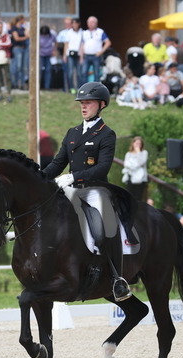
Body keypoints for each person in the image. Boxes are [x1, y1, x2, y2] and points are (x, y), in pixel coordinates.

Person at [42, 81, 132, 302]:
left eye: (88, 103)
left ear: (101, 105)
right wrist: (38, 177)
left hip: (96, 190)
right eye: (81, 103)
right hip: (71, 190)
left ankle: (117, 279)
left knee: (105, 228)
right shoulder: (72, 133)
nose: (83, 107)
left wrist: (74, 176)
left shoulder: (106, 134)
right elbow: (57, 164)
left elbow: (102, 168)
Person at [80, 16, 110, 83]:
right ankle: (85, 90)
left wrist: (101, 52)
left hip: (96, 56)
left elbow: (108, 43)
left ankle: (96, 90)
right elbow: (82, 45)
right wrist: (81, 57)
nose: (91, 24)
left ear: (96, 23)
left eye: (92, 22)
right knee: (84, 72)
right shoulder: (85, 33)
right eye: (89, 22)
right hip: (86, 56)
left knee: (96, 73)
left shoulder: (100, 32)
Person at [122, 136, 148, 201]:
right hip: (130, 178)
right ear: (133, 143)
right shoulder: (128, 154)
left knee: (138, 198)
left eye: (139, 144)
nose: (138, 145)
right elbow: (126, 164)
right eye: (136, 143)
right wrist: (135, 166)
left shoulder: (144, 153)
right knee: (129, 197)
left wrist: (138, 152)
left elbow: (141, 162)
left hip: (140, 180)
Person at [8, 14, 28, 90]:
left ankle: (22, 84)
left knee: (23, 67)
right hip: (17, 48)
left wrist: (27, 27)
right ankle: (14, 83)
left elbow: (27, 34)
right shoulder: (14, 29)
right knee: (17, 67)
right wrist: (26, 37)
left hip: (24, 48)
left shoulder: (23, 29)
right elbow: (17, 38)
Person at [63, 17, 82, 92]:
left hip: (78, 54)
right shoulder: (69, 32)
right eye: (73, 23)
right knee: (70, 72)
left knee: (79, 73)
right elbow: (66, 44)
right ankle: (71, 88)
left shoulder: (81, 32)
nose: (74, 25)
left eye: (75, 23)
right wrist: (65, 55)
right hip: (70, 54)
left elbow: (82, 44)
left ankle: (79, 88)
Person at [39, 25, 56, 90]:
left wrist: (54, 50)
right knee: (40, 70)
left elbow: (55, 42)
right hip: (41, 55)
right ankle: (39, 86)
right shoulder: (39, 36)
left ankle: (47, 86)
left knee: (48, 70)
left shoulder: (52, 35)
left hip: (49, 55)